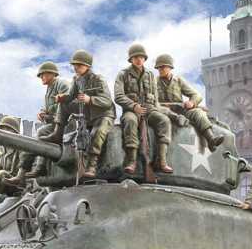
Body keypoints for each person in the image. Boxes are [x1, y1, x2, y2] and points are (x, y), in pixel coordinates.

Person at [4, 61, 70, 186]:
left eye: (43, 74)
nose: (41, 77)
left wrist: (50, 116)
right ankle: (27, 172)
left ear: (52, 74)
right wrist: (42, 113)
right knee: (35, 140)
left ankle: (33, 170)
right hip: (55, 124)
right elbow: (48, 109)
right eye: (40, 75)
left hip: (66, 125)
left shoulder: (62, 85)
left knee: (40, 134)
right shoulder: (49, 90)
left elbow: (67, 105)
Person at [54, 50, 116, 179]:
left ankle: (92, 165)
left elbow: (107, 101)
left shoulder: (98, 79)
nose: (76, 68)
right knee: (63, 104)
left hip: (103, 114)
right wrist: (62, 97)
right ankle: (58, 132)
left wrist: (90, 99)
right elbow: (71, 96)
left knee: (97, 133)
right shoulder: (77, 79)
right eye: (74, 65)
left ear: (87, 66)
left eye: (79, 65)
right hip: (87, 114)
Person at [114, 43, 173, 174]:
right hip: (131, 110)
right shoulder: (123, 74)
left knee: (164, 121)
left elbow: (155, 99)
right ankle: (132, 161)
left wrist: (158, 110)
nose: (139, 59)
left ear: (144, 59)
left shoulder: (150, 75)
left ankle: (162, 161)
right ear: (131, 59)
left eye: (141, 57)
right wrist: (134, 106)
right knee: (130, 121)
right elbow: (118, 96)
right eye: (136, 57)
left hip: (149, 109)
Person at [154, 53, 224, 152]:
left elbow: (197, 95)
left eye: (162, 67)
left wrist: (192, 102)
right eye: (158, 68)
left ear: (170, 67)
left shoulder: (178, 80)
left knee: (198, 113)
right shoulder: (154, 82)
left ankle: (211, 139)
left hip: (181, 110)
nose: (160, 70)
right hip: (164, 112)